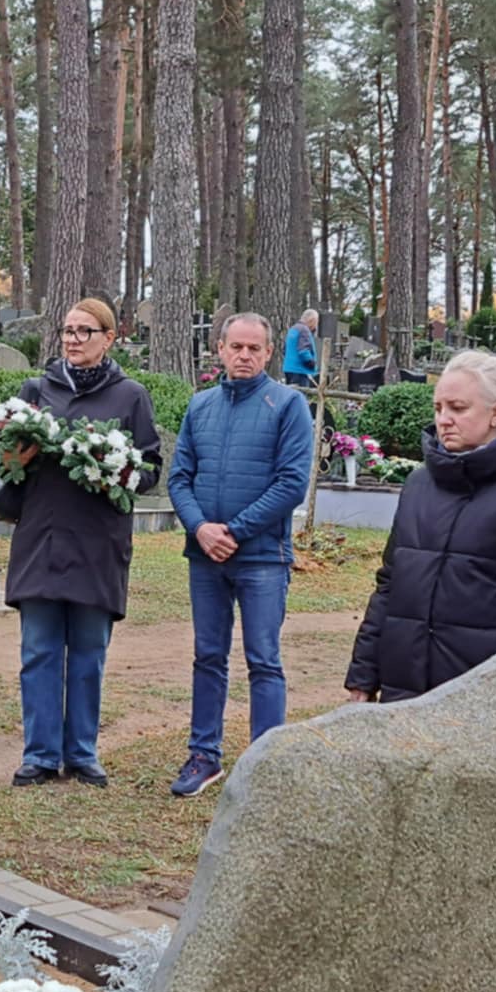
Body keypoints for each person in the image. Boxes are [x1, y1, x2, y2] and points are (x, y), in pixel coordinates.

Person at [344, 350, 496, 703]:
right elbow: (391, 584)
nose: (444, 420)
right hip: (404, 691)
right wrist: (363, 676)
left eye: (458, 408)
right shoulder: (420, 485)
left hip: (482, 699)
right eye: (438, 408)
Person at [1, 298, 161, 788]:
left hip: (97, 541)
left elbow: (151, 469)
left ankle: (83, 753)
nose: (72, 339)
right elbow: (5, 465)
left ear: (109, 338)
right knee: (40, 650)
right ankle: (41, 754)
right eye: (67, 331)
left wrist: (115, 466)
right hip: (42, 538)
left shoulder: (130, 396)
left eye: (84, 331)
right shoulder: (36, 389)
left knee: (88, 651)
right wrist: (16, 456)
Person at [166, 312, 313, 799]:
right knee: (208, 656)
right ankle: (203, 755)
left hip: (262, 559)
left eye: (255, 348)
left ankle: (264, 763)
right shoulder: (201, 406)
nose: (245, 356)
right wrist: (201, 528)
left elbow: (292, 483)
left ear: (269, 352)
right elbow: (180, 477)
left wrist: (235, 530)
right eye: (237, 347)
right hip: (205, 556)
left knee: (263, 659)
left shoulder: (288, 405)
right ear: (221, 350)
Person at [283, 308, 320, 386]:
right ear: (312, 320)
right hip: (300, 370)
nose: (316, 325)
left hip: (288, 369)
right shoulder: (304, 330)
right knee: (301, 395)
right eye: (316, 321)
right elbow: (303, 351)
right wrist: (312, 364)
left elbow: (284, 350)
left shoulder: (292, 329)